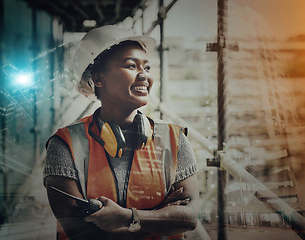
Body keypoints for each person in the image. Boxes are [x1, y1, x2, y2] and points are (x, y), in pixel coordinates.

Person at [43, 25, 199, 240]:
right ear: (99, 79)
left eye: (147, 67)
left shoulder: (175, 139)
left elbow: (189, 219)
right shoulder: (64, 145)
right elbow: (82, 234)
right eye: (131, 66)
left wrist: (126, 217)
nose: (144, 75)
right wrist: (161, 216)